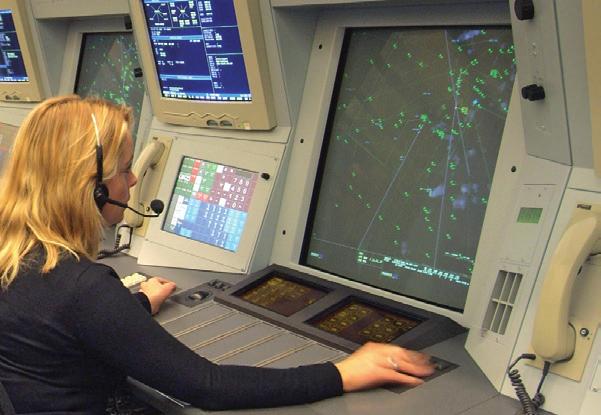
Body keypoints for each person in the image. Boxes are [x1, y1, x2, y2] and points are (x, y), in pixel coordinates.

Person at [0, 95, 435, 413]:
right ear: (90, 186)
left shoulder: (16, 255)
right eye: (124, 170)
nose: (133, 181)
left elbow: (59, 325)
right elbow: (208, 386)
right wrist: (343, 373)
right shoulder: (83, 289)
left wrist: (131, 308)